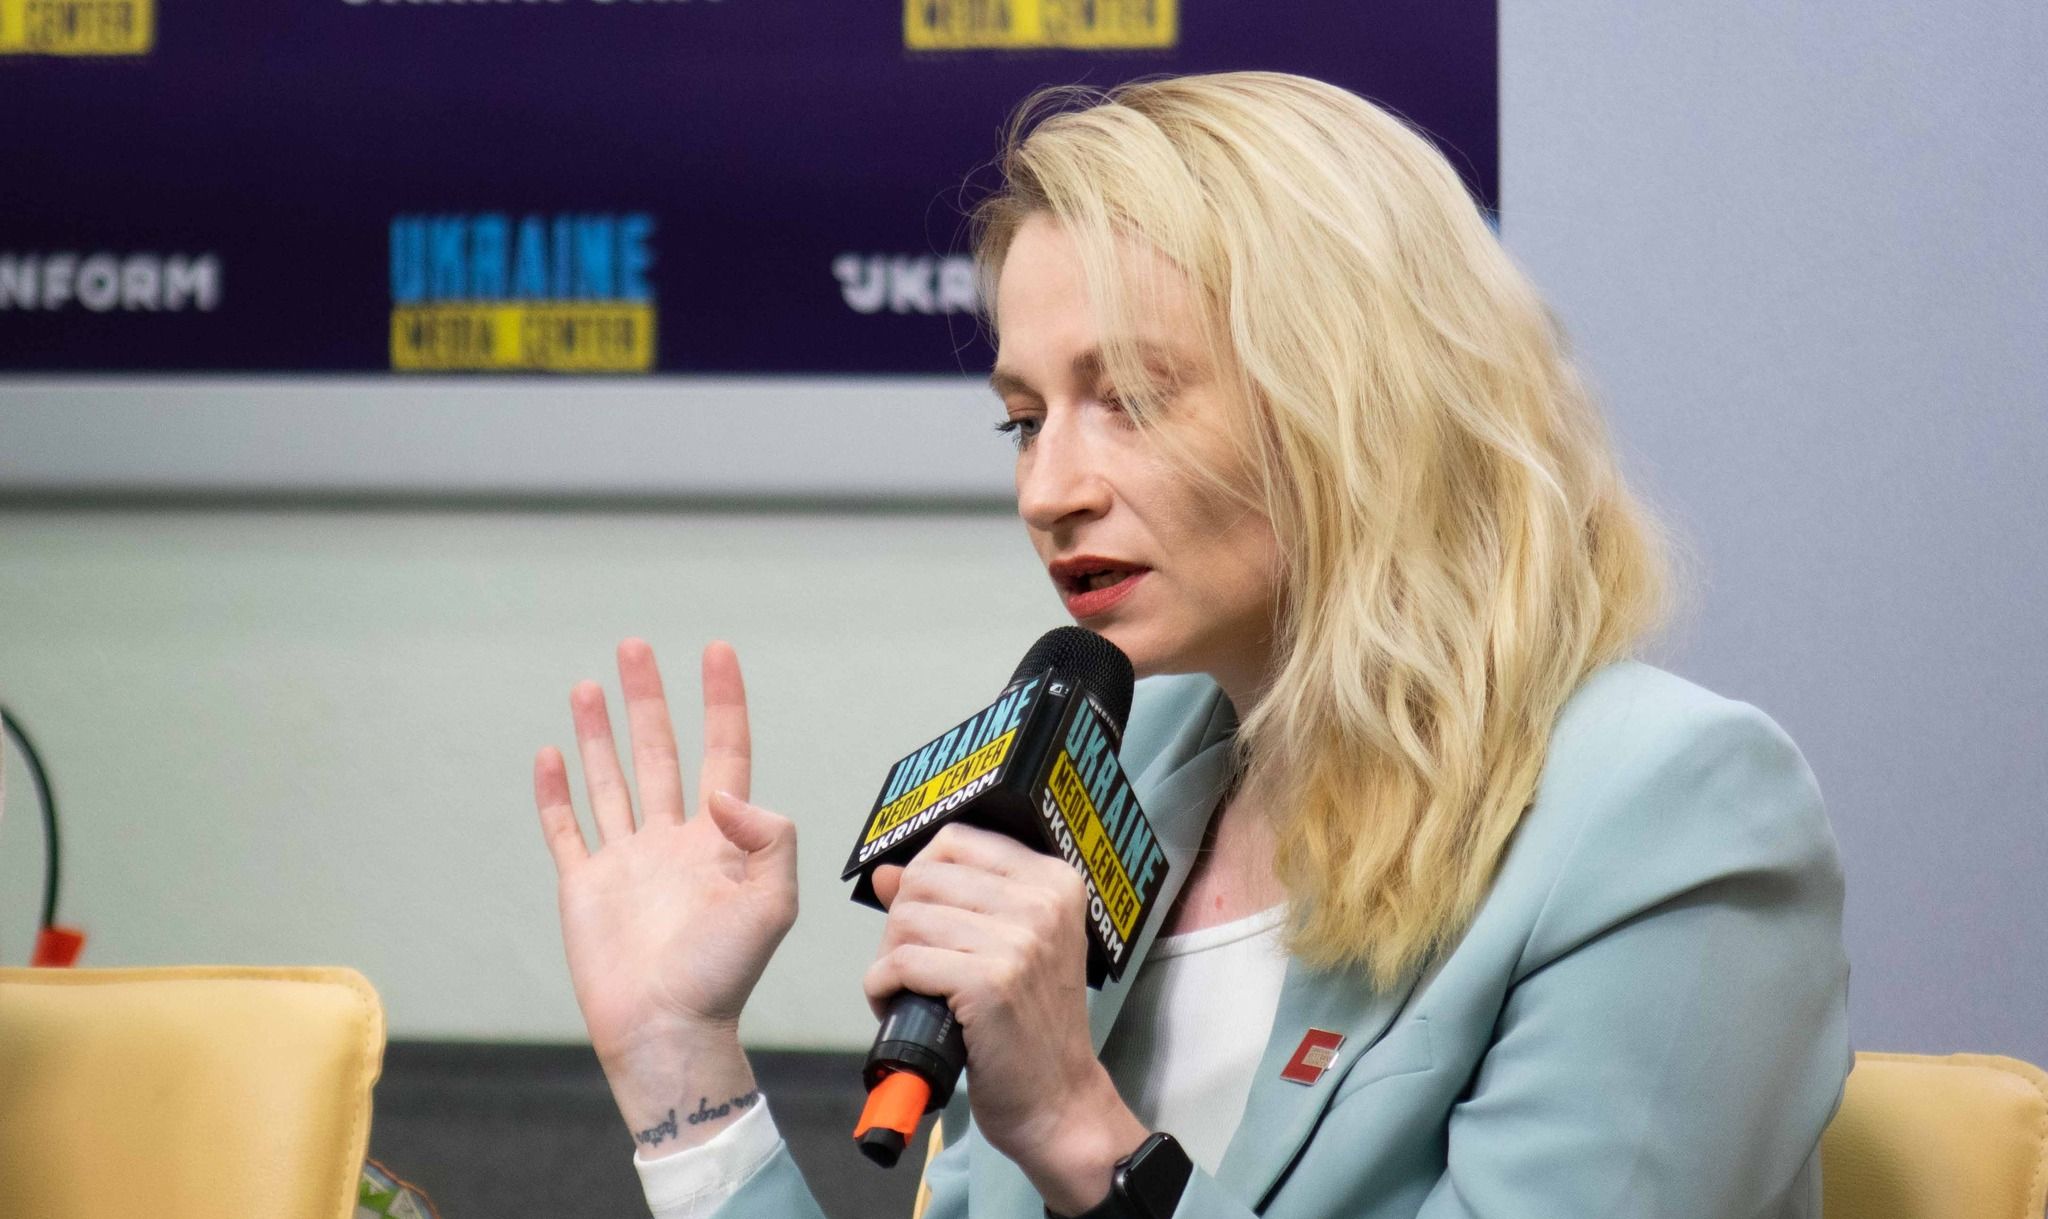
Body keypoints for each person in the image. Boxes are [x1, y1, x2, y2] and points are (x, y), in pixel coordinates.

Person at [531, 71, 1851, 1219]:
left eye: (1132, 400)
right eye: (1023, 421)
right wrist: (680, 1061)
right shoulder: (1115, 762)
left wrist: (1081, 1135)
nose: (1049, 491)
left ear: (1362, 404)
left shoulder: (1663, 808)